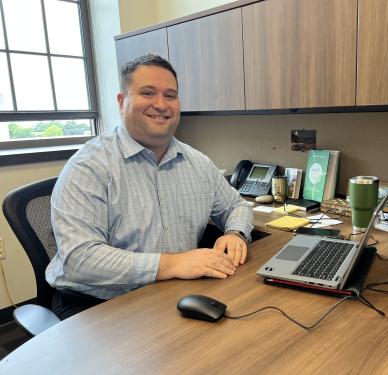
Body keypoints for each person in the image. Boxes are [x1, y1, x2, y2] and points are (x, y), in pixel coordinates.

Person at [46, 54, 254, 319]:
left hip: (173, 294)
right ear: (122, 103)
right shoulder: (89, 167)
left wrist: (235, 233)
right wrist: (172, 263)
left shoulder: (198, 163)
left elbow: (236, 205)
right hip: (96, 304)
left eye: (170, 95)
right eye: (147, 92)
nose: (161, 104)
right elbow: (80, 260)